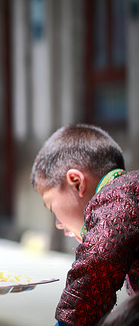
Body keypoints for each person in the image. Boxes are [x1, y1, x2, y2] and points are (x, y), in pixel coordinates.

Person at [30, 124, 139, 326]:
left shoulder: (117, 196)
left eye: (52, 207)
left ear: (76, 182)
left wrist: (67, 323)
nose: (59, 224)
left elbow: (97, 263)